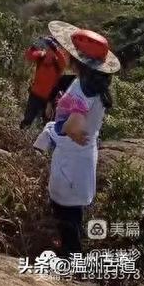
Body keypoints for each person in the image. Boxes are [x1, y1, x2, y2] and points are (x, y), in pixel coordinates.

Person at [33, 20, 120, 258]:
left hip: (71, 161)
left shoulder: (83, 88)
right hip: (81, 159)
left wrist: (57, 126)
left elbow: (73, 127)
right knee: (73, 214)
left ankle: (70, 262)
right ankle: (71, 254)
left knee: (66, 214)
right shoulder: (95, 86)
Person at [20, 36, 68, 129]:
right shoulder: (41, 55)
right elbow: (29, 55)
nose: (49, 48)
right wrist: (35, 45)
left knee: (45, 124)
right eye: (48, 45)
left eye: (51, 46)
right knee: (27, 120)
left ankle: (40, 141)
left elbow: (64, 62)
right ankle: (21, 138)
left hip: (49, 99)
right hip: (35, 94)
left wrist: (55, 48)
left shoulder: (58, 62)